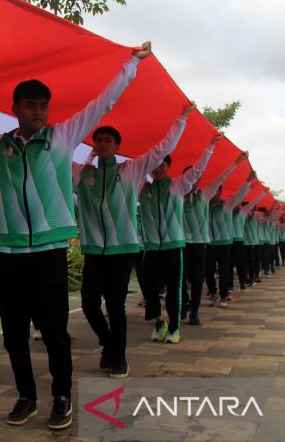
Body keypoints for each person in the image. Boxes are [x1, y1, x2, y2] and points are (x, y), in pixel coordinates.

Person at [0, 38, 152, 428]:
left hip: (49, 255)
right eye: (31, 105)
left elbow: (102, 104)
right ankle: (26, 396)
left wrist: (131, 65)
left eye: (43, 105)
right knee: (12, 335)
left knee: (56, 332)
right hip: (10, 256)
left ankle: (61, 396)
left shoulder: (62, 136)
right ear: (16, 109)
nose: (39, 112)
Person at [73, 103, 194, 375]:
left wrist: (182, 118)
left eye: (108, 141)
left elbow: (162, 148)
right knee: (89, 303)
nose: (103, 144)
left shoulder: (131, 170)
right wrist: (88, 159)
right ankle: (108, 343)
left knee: (115, 306)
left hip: (123, 250)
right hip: (93, 251)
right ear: (93, 146)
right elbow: (56, 162)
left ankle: (120, 358)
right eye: (98, 141)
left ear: (117, 145)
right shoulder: (83, 173)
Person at [139, 127, 218, 345]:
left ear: (168, 167)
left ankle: (174, 327)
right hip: (151, 247)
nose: (158, 169)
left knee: (174, 289)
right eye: (154, 166)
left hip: (174, 246)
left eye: (162, 165)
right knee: (150, 289)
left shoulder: (178, 186)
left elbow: (198, 169)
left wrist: (211, 146)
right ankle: (158, 323)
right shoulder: (141, 188)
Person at [182, 149, 246, 325]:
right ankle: (184, 303)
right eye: (187, 177)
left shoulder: (205, 194)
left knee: (197, 279)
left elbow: (222, 177)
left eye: (194, 177)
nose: (191, 181)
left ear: (199, 180)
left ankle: (194, 311)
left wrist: (237, 162)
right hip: (182, 243)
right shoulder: (177, 194)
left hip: (201, 244)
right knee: (182, 278)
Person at [205, 172, 254, 308]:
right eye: (212, 191)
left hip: (225, 243)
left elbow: (240, 195)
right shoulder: (204, 205)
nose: (213, 194)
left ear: (220, 193)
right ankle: (213, 294)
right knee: (208, 270)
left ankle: (223, 296)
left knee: (224, 270)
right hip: (209, 243)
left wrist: (248, 181)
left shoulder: (227, 205)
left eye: (216, 191)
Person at [229, 182, 264, 293]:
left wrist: (260, 193)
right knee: (229, 265)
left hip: (239, 241)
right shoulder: (227, 211)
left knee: (241, 264)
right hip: (229, 241)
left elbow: (252, 202)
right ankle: (230, 285)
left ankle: (242, 283)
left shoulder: (243, 213)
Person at [242, 192, 267, 287]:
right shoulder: (242, 215)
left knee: (254, 261)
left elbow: (266, 215)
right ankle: (249, 278)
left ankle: (254, 277)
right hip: (245, 242)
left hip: (254, 242)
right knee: (247, 262)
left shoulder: (255, 216)